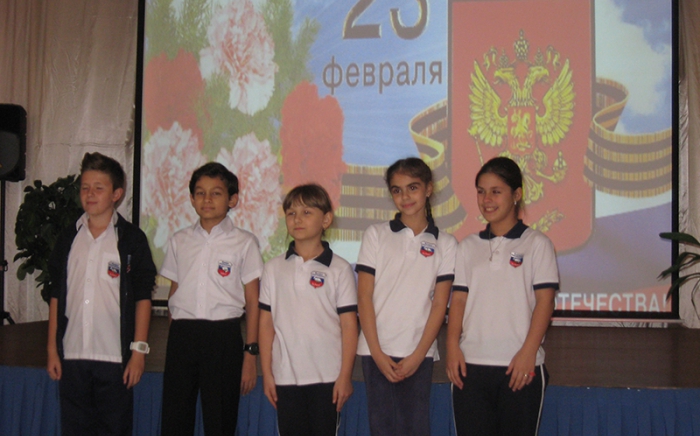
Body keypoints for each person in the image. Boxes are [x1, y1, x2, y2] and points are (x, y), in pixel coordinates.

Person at [446, 156, 559, 436]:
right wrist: (452, 347)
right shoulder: (467, 246)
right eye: (481, 191)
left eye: (496, 191)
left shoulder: (537, 244)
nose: (487, 200)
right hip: (470, 367)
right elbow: (458, 301)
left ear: (516, 194)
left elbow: (545, 302)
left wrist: (528, 353)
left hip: (519, 366)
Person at [47, 152, 156, 435]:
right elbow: (56, 294)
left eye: (99, 187)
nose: (90, 194)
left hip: (114, 358)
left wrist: (138, 352)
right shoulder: (68, 238)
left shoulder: (131, 239)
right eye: (85, 187)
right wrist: (52, 349)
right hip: (73, 355)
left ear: (117, 194)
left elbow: (143, 297)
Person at [159, 162, 263, 436]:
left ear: (232, 200)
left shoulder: (244, 242)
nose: (207, 199)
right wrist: (176, 334)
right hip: (182, 335)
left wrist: (250, 353)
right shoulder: (179, 240)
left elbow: (253, 301)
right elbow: (174, 292)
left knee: (220, 420)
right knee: (174, 419)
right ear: (192, 198)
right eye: (200, 193)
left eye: (216, 193)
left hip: (222, 337)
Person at [355, 157, 457, 436]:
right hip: (376, 351)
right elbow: (364, 297)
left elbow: (440, 304)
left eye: (413, 187)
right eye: (397, 190)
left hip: (418, 352)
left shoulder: (446, 243)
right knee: (382, 428)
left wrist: (419, 354)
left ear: (428, 189)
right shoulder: (375, 234)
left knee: (415, 427)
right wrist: (377, 353)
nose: (405, 196)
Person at [258, 183, 358, 436]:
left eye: (306, 212)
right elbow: (266, 324)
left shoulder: (340, 269)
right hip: (285, 377)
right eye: (291, 213)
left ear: (326, 219)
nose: (297, 219)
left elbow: (349, 326)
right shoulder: (273, 268)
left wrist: (345, 376)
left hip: (327, 378)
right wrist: (267, 373)